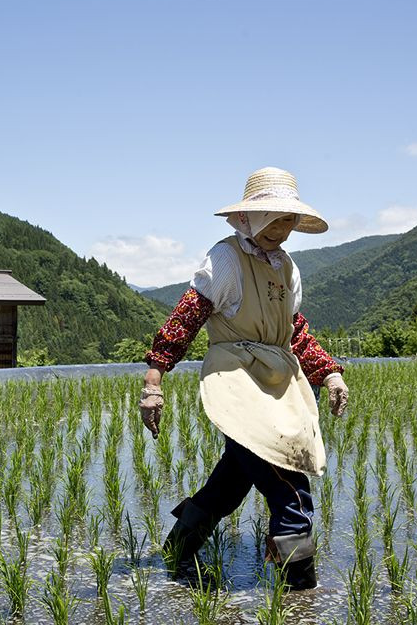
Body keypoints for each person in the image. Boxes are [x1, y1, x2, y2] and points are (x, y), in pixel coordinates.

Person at [140, 166, 349, 590]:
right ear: (248, 217)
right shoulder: (225, 260)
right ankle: (299, 594)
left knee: (231, 484)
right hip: (237, 381)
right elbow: (185, 320)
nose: (282, 228)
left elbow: (296, 330)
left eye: (289, 219)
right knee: (291, 490)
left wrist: (329, 375)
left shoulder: (286, 267)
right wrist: (153, 383)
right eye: (273, 217)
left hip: (277, 382)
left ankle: (176, 552)